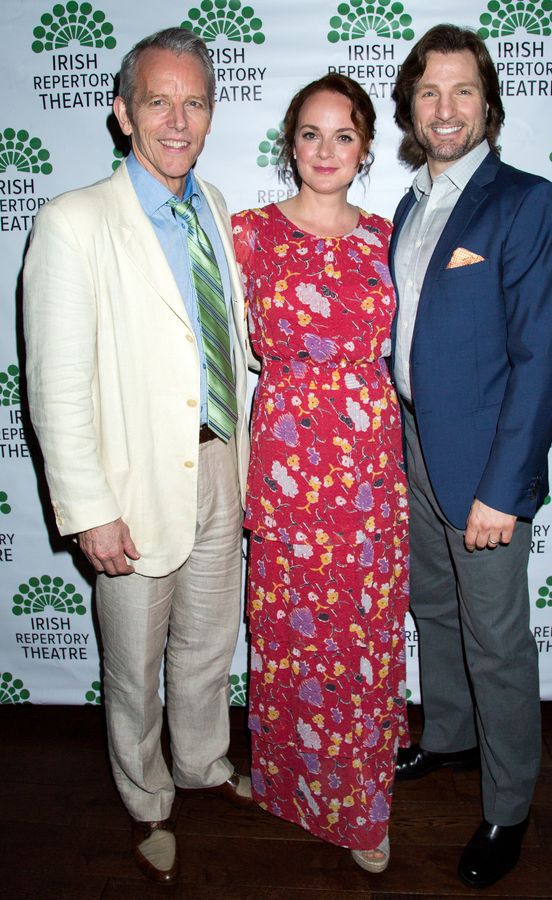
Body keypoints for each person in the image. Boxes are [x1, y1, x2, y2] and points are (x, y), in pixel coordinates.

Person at [23, 27, 252, 885]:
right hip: (129, 485)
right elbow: (57, 384)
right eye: (159, 100)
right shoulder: (73, 221)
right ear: (123, 114)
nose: (178, 120)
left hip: (222, 460)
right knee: (134, 660)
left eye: (195, 101)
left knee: (206, 641)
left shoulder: (216, 209)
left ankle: (200, 760)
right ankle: (148, 794)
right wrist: (88, 508)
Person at [389, 24, 552, 889]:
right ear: (410, 107)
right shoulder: (410, 205)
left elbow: (543, 359)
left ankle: (508, 805)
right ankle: (452, 740)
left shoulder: (527, 202)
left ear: (490, 103)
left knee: (497, 641)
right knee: (434, 609)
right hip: (416, 447)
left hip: (488, 471)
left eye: (463, 90)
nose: (446, 108)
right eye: (429, 91)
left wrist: (505, 491)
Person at [232, 73, 410, 874]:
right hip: (285, 465)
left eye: (344, 135)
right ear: (290, 143)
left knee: (362, 637)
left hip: (369, 465)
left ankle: (364, 808)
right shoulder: (246, 235)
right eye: (311, 133)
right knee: (288, 629)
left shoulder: (389, 237)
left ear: (367, 147)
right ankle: (286, 784)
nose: (327, 150)